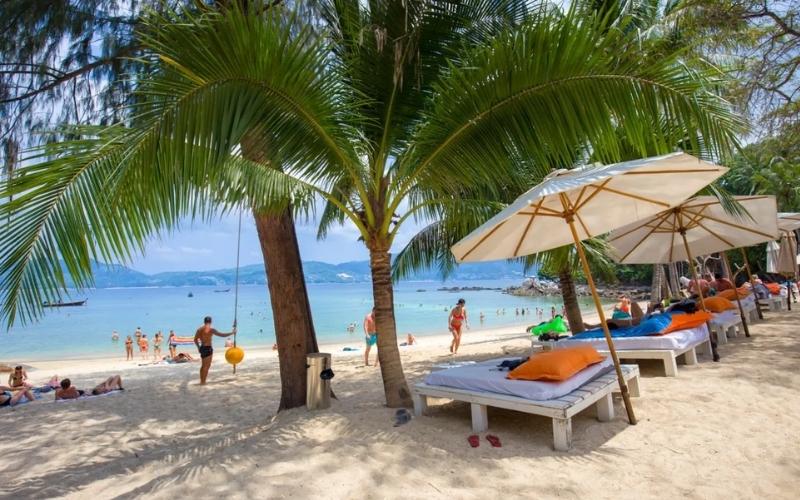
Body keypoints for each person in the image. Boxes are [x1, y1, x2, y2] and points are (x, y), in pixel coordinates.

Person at [193, 316, 236, 385]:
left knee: (203, 366)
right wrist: (232, 333)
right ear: (211, 322)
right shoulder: (211, 329)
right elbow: (221, 335)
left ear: (204, 321)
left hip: (202, 348)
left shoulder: (199, 329)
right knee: (207, 366)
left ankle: (202, 381)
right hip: (208, 348)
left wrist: (198, 348)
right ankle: (203, 382)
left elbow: (195, 340)